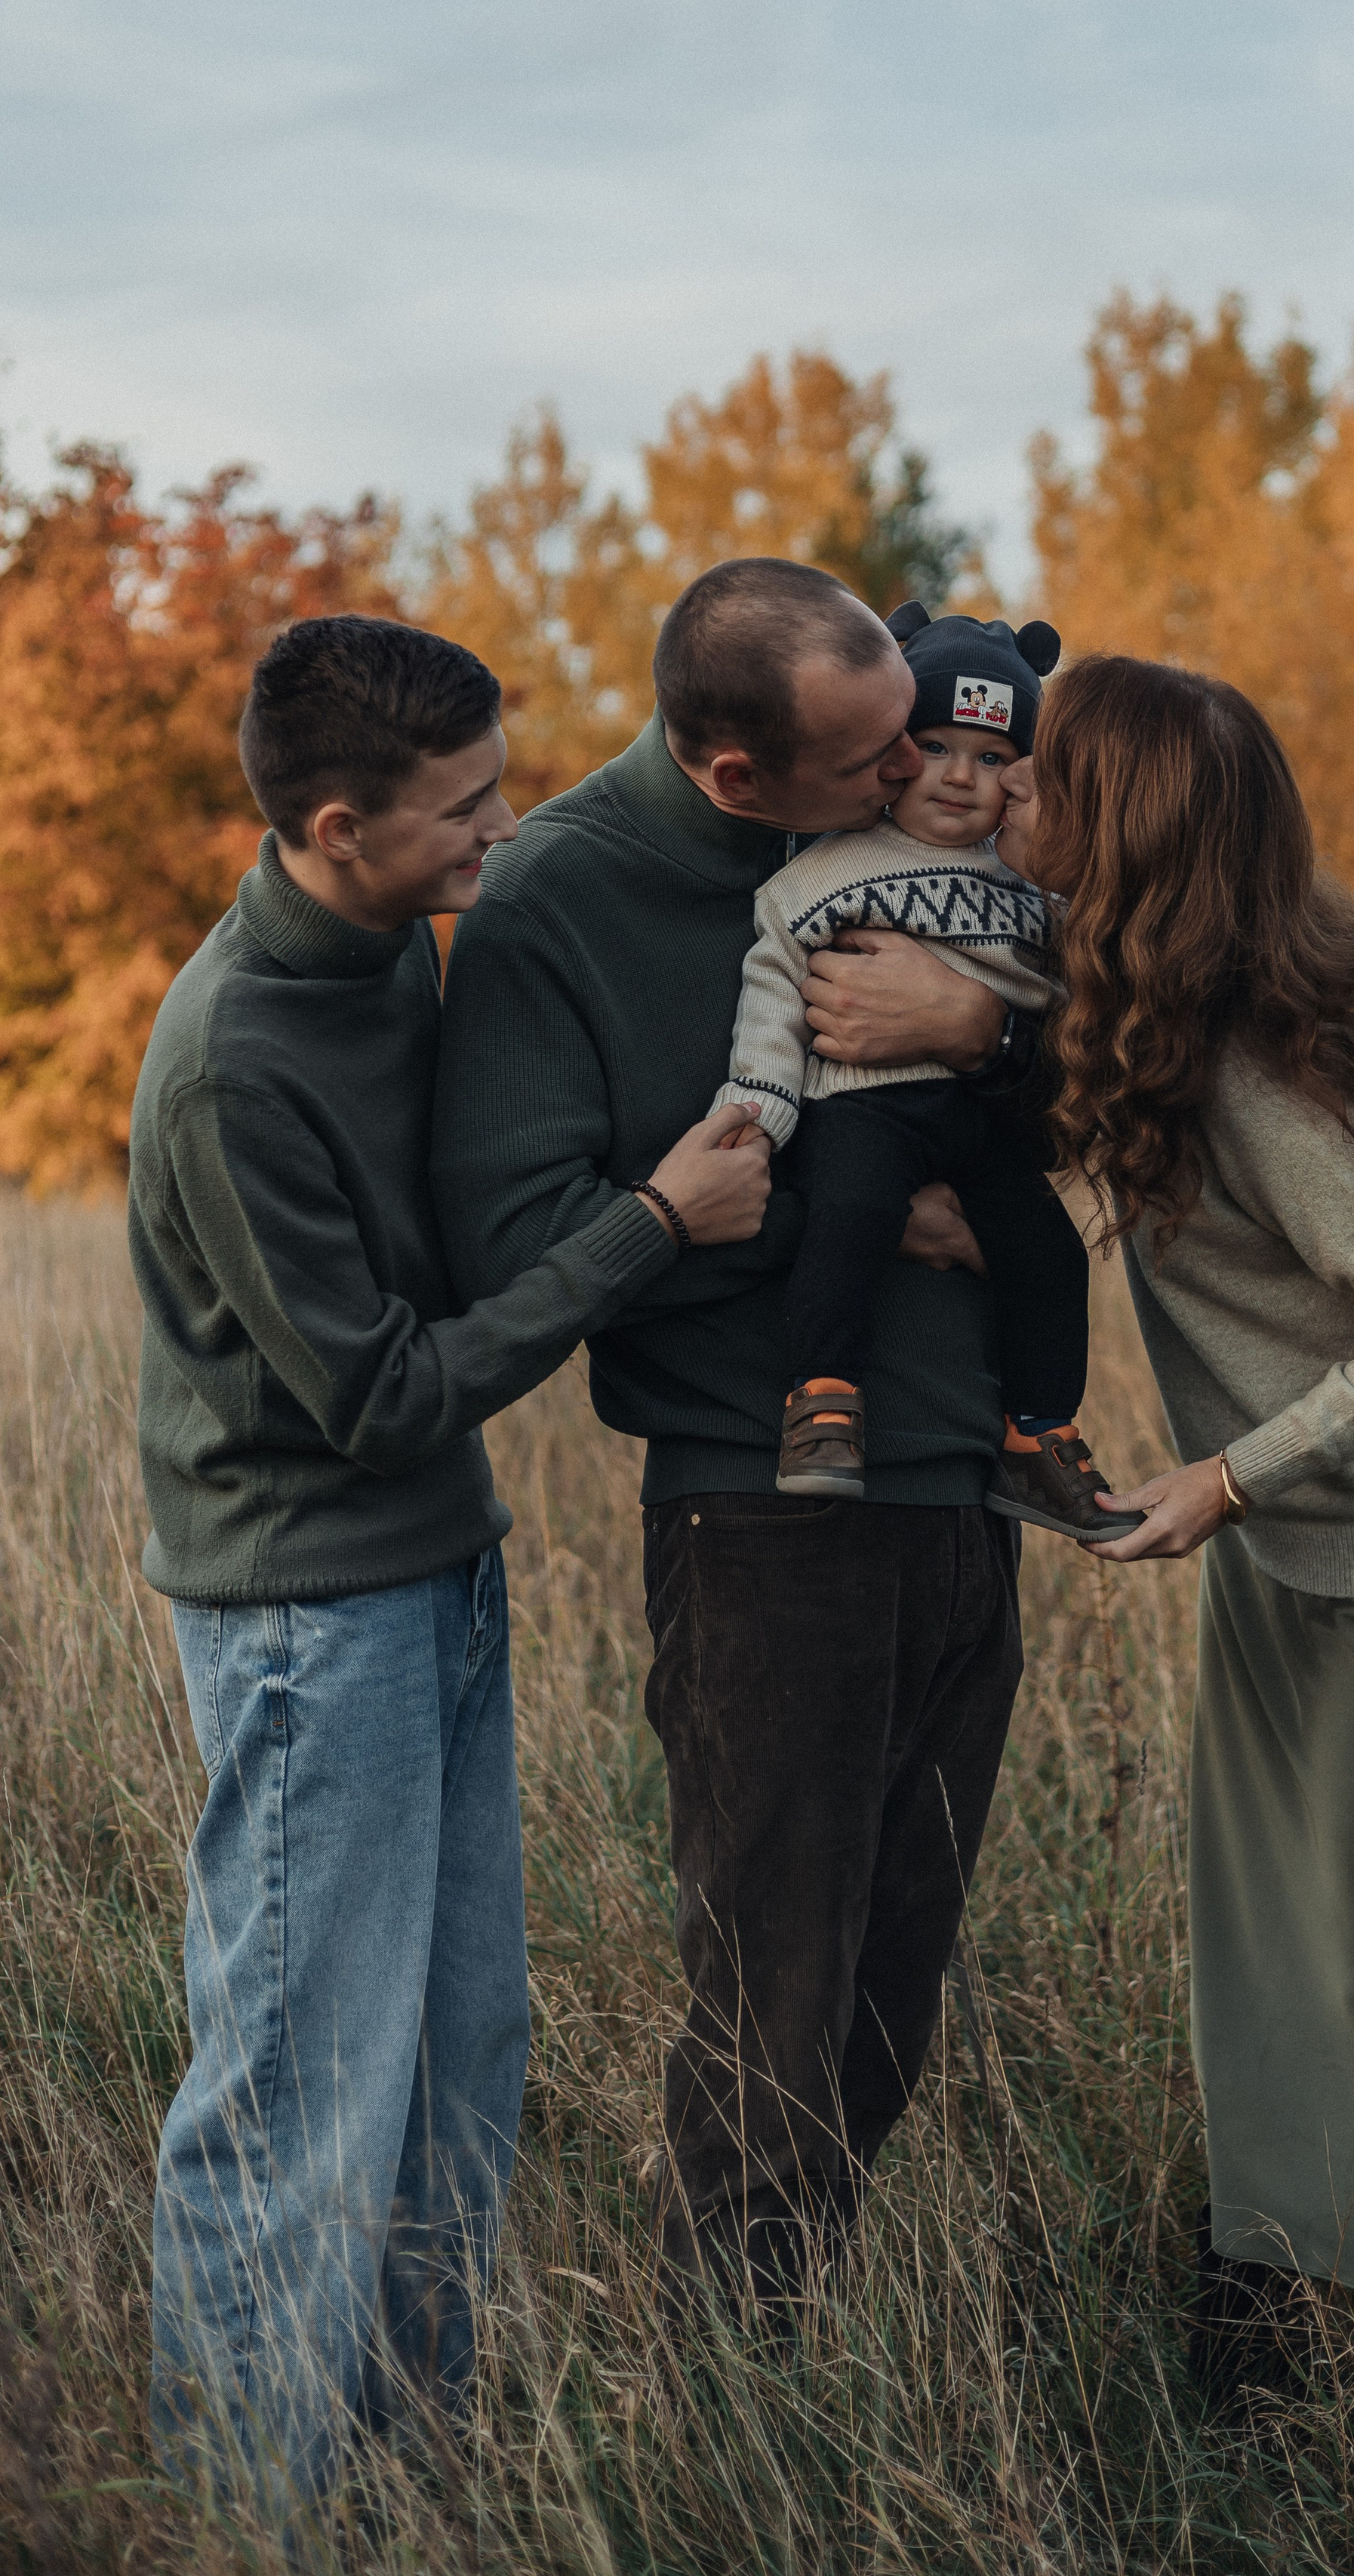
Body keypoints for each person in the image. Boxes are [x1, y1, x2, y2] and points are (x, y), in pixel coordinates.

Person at [129, 615, 771, 2513]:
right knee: (297, 2089)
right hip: (305, 1610)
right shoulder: (235, 1064)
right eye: (470, 807)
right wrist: (653, 1220)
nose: (507, 827)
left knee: (453, 2060)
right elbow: (388, 1395)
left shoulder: (402, 943)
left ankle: (404, 2485)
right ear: (341, 827)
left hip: (436, 1578)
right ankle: (250, 2515)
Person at [431, 559, 1033, 2308]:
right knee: (775, 2000)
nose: (915, 770)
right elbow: (532, 1229)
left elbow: (1080, 1064)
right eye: (868, 758)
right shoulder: (556, 897)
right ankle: (734, 2403)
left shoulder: (903, 835)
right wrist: (866, 1211)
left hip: (959, 1487)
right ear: (733, 776)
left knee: (890, 1990)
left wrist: (977, 1033)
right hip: (761, 1515)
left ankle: (803, 2356)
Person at [1007, 657, 1354, 2469]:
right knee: (1263, 1936)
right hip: (1286, 1545)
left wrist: (1229, 1475)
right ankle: (1260, 2278)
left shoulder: (1253, 1063)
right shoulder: (1157, 995)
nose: (1006, 795)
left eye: (1040, 781)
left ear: (1113, 830)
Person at [711, 601, 1138, 1538]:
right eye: (937, 745)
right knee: (852, 1214)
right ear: (893, 751)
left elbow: (1071, 1015)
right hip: (861, 1105)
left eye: (991, 759)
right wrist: (759, 1104)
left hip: (984, 1113)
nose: (959, 776)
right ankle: (822, 1399)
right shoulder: (819, 872)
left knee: (1048, 1253)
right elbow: (774, 987)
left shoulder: (1039, 892)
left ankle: (1037, 1435)